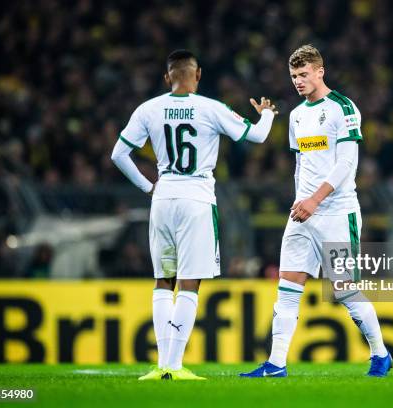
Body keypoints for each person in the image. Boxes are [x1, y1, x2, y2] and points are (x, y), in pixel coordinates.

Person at [111, 49, 278, 381]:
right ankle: (174, 366)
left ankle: (161, 366)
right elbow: (258, 136)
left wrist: (148, 187)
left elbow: (118, 155)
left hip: (163, 196)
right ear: (197, 74)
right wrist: (269, 113)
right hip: (197, 197)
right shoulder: (211, 108)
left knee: (163, 280)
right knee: (189, 283)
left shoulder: (149, 109)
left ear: (166, 77)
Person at [240, 45, 392, 378]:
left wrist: (315, 200)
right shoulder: (296, 115)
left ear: (320, 71)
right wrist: (301, 200)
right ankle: (276, 363)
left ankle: (380, 354)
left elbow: (347, 164)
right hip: (303, 214)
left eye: (304, 74)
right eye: (294, 76)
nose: (298, 81)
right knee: (288, 285)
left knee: (344, 289)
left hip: (336, 213)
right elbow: (301, 165)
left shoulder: (343, 108)